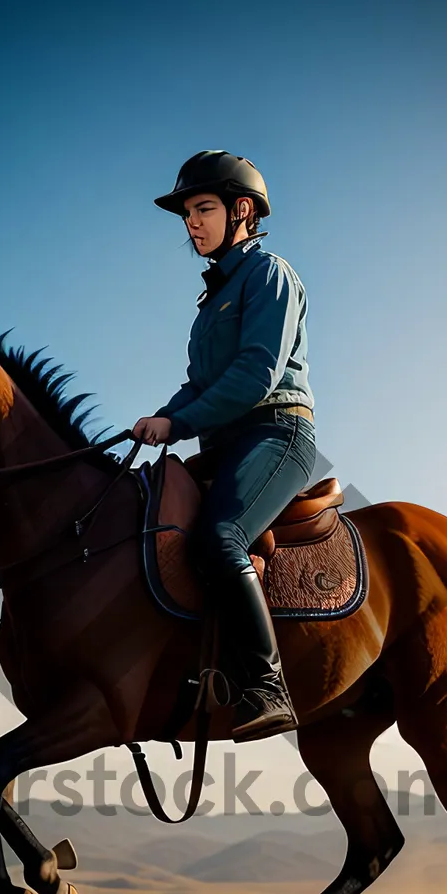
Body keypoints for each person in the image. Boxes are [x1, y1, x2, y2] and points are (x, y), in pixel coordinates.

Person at [133, 150, 318, 742]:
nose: (192, 223)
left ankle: (267, 685)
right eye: (187, 212)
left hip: (276, 432)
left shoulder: (271, 275)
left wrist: (177, 426)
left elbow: (254, 375)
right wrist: (162, 416)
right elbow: (200, 385)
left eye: (204, 209)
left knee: (219, 536)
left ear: (243, 211)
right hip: (225, 440)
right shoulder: (211, 301)